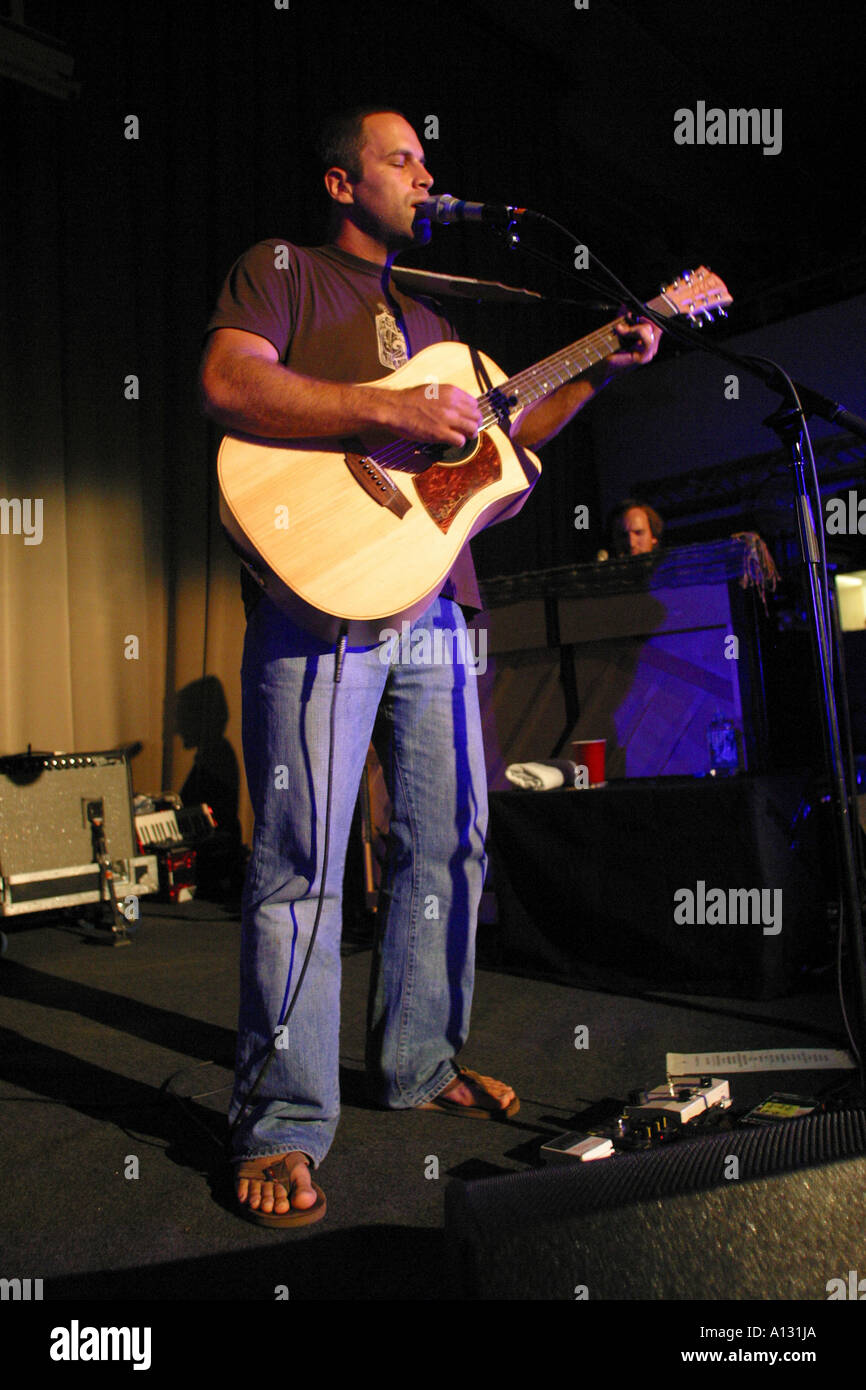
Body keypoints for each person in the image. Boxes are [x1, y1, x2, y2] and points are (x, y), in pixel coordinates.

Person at [199, 106, 659, 1227]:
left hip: (441, 609)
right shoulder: (282, 270)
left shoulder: (436, 316)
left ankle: (416, 1060)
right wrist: (381, 407)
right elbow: (229, 382)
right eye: (400, 158)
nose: (424, 172)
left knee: (447, 842)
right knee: (302, 858)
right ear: (342, 183)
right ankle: (282, 1123)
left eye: (424, 158)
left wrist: (610, 358)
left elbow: (516, 432)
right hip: (322, 601)